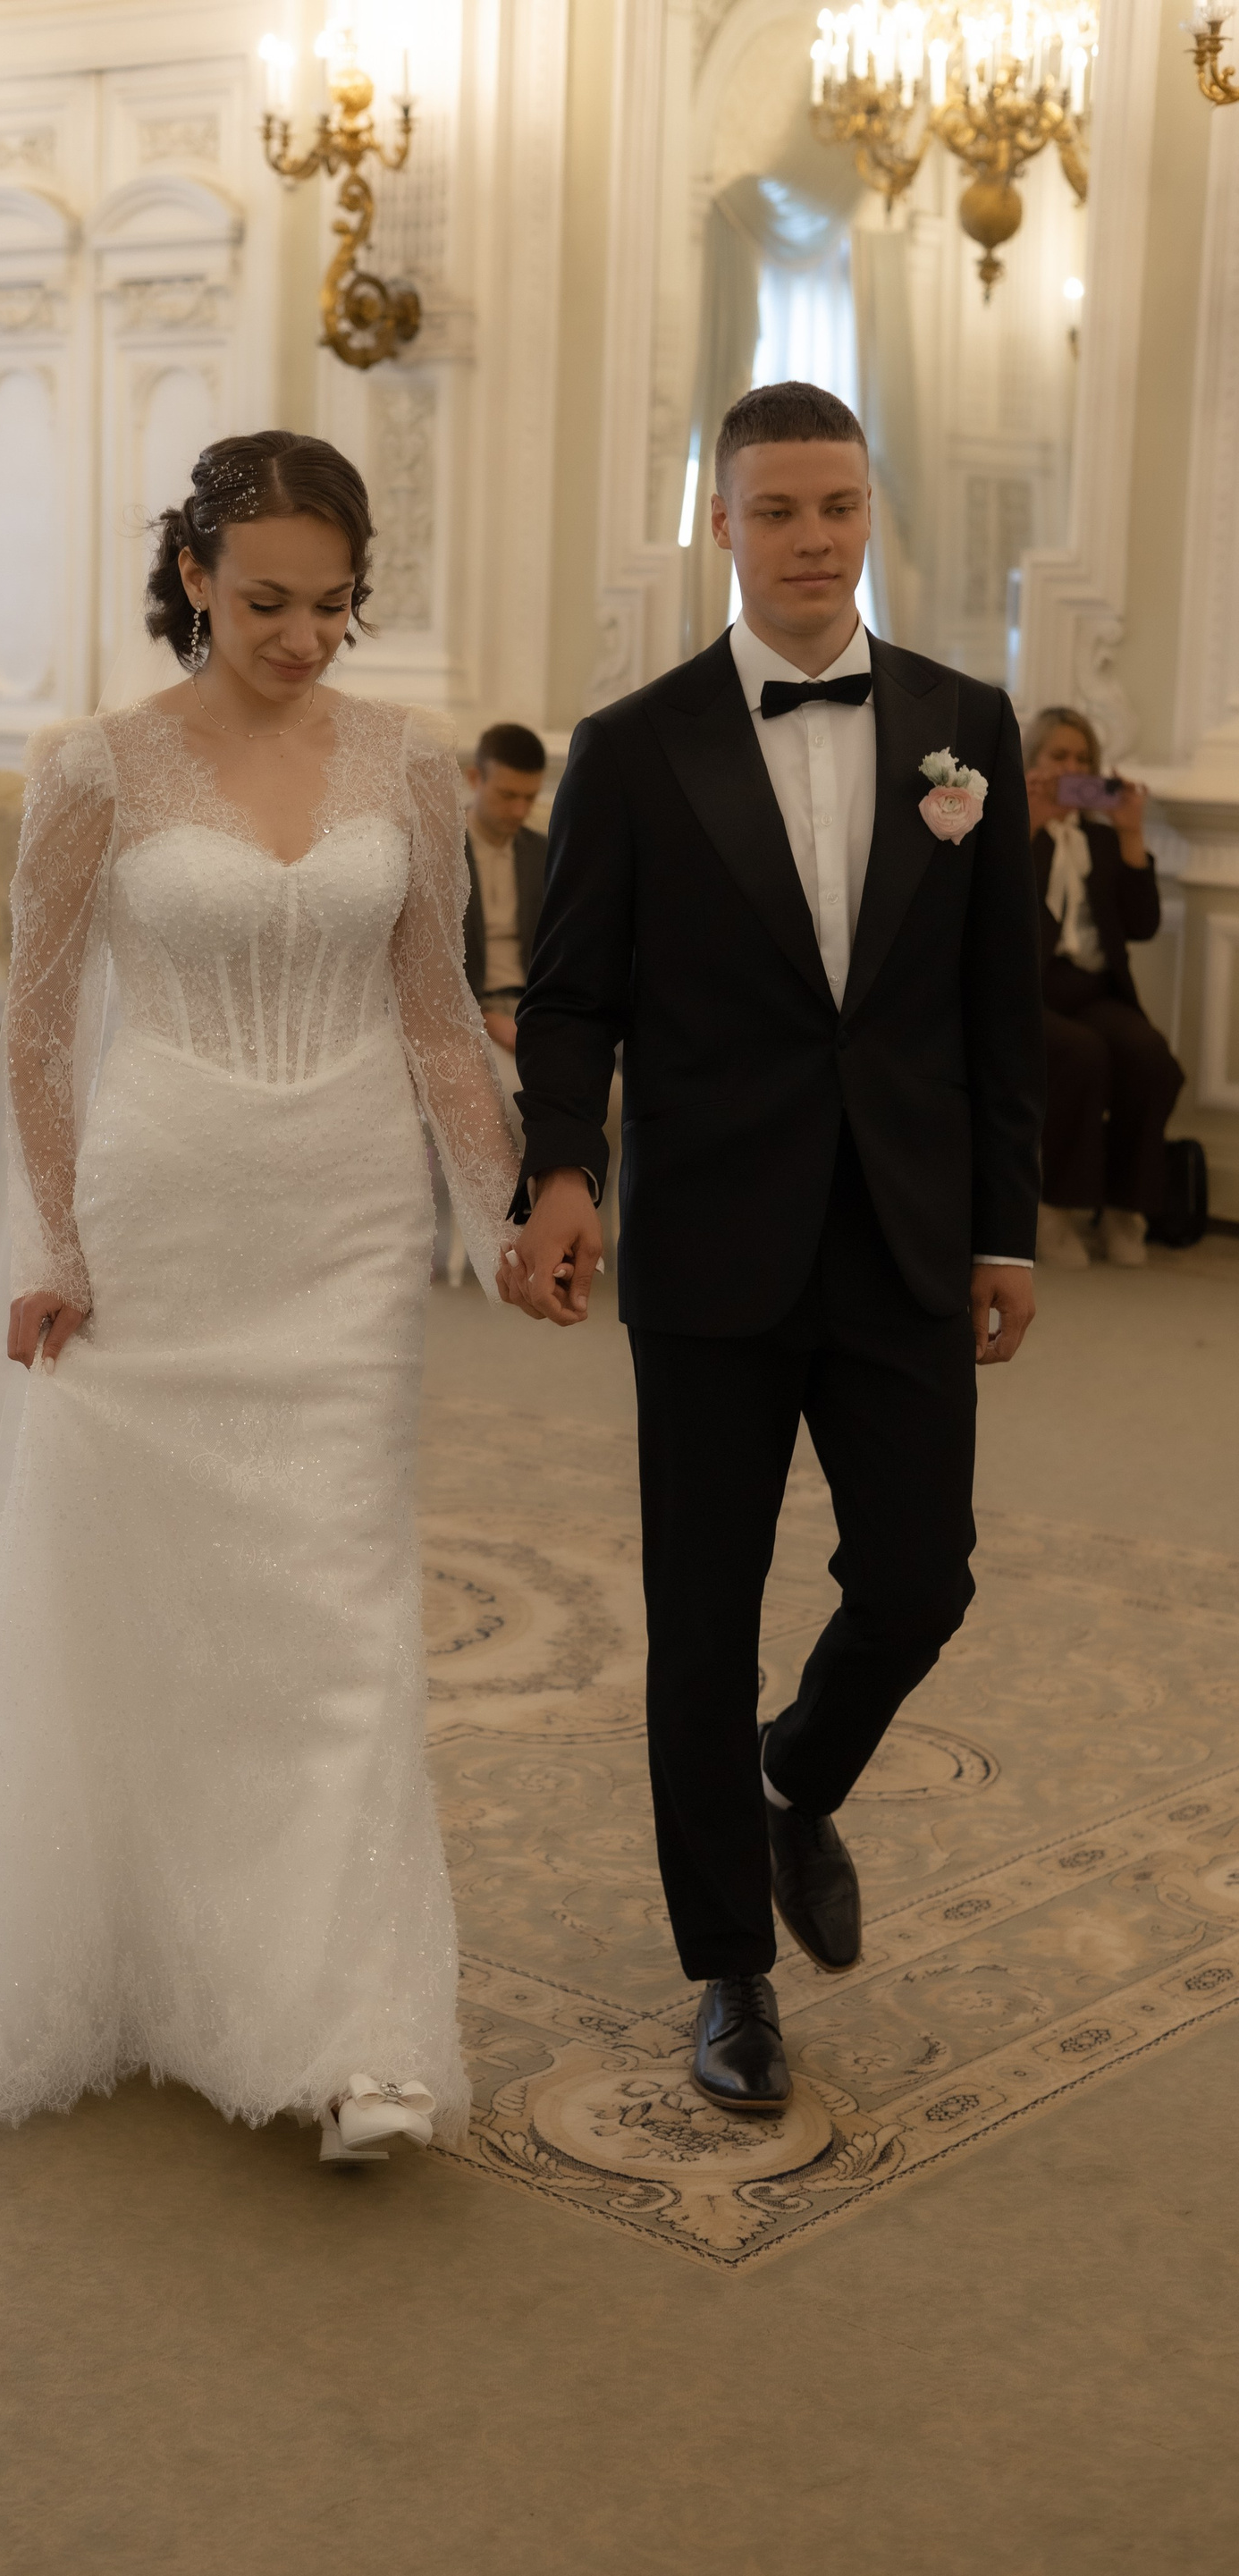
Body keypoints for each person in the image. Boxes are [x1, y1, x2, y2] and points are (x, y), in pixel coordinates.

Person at [0, 431, 519, 2168]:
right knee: (142, 1594)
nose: (303, 637)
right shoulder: (98, 768)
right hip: (161, 1213)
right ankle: (126, 1930)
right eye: (266, 603)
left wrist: (506, 1213)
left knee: (339, 1610)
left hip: (347, 1222)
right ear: (194, 580)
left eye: (333, 605)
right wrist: (54, 1245)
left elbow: (438, 1010)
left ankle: (358, 2029)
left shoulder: (409, 764)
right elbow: (41, 1024)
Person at [499, 381, 1044, 2116]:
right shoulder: (631, 745)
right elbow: (570, 999)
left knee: (921, 1576)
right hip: (710, 1245)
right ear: (720, 524)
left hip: (902, 1231)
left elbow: (999, 1007)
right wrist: (560, 1170)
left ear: (871, 512)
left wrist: (1008, 1230)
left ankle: (794, 1778)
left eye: (839, 505)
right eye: (779, 509)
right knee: (701, 1613)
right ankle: (729, 1968)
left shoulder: (965, 725)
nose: (814, 539)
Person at [1023, 705, 1184, 1269]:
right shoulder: (1008, 827)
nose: (1072, 768)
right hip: (1028, 991)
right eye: (1058, 756)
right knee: (1081, 1056)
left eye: (1083, 759)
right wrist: (1028, 825)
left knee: (1152, 1059)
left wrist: (1131, 833)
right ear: (1032, 762)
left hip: (1093, 989)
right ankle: (1055, 1207)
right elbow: (992, 915)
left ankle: (1124, 1205)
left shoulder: (1102, 838)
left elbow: (1142, 924)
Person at [463, 722, 549, 1101]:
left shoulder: (544, 853)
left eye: (530, 798)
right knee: (517, 1101)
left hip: (535, 1012)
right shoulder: (439, 849)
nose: (519, 811)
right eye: (507, 795)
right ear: (474, 779)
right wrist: (484, 1018)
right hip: (468, 1015)